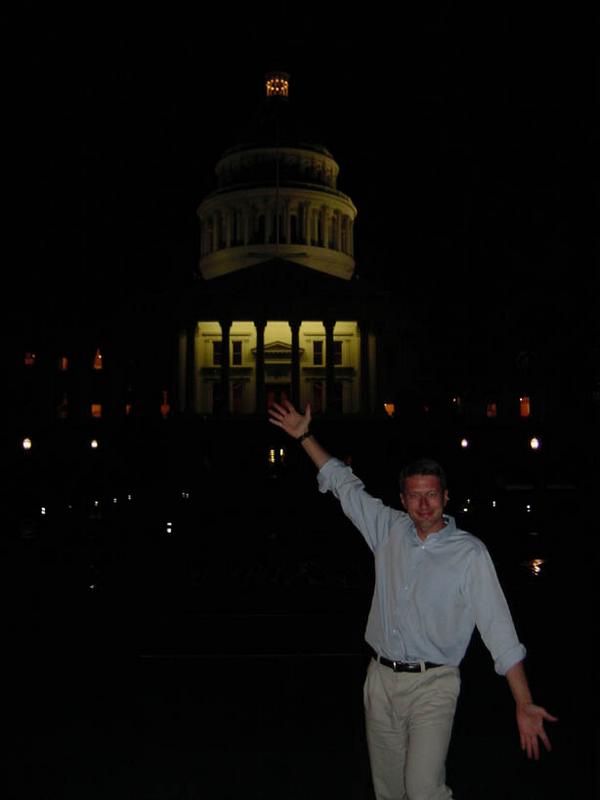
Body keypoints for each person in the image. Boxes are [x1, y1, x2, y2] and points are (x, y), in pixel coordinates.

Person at [268, 399, 557, 800]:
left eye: (432, 495)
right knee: (389, 792)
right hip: (381, 682)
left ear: (446, 496)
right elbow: (343, 484)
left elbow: (500, 631)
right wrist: (304, 436)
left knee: (423, 790)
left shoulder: (469, 553)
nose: (424, 504)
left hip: (434, 684)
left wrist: (523, 703)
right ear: (402, 499)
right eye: (415, 496)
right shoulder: (387, 529)